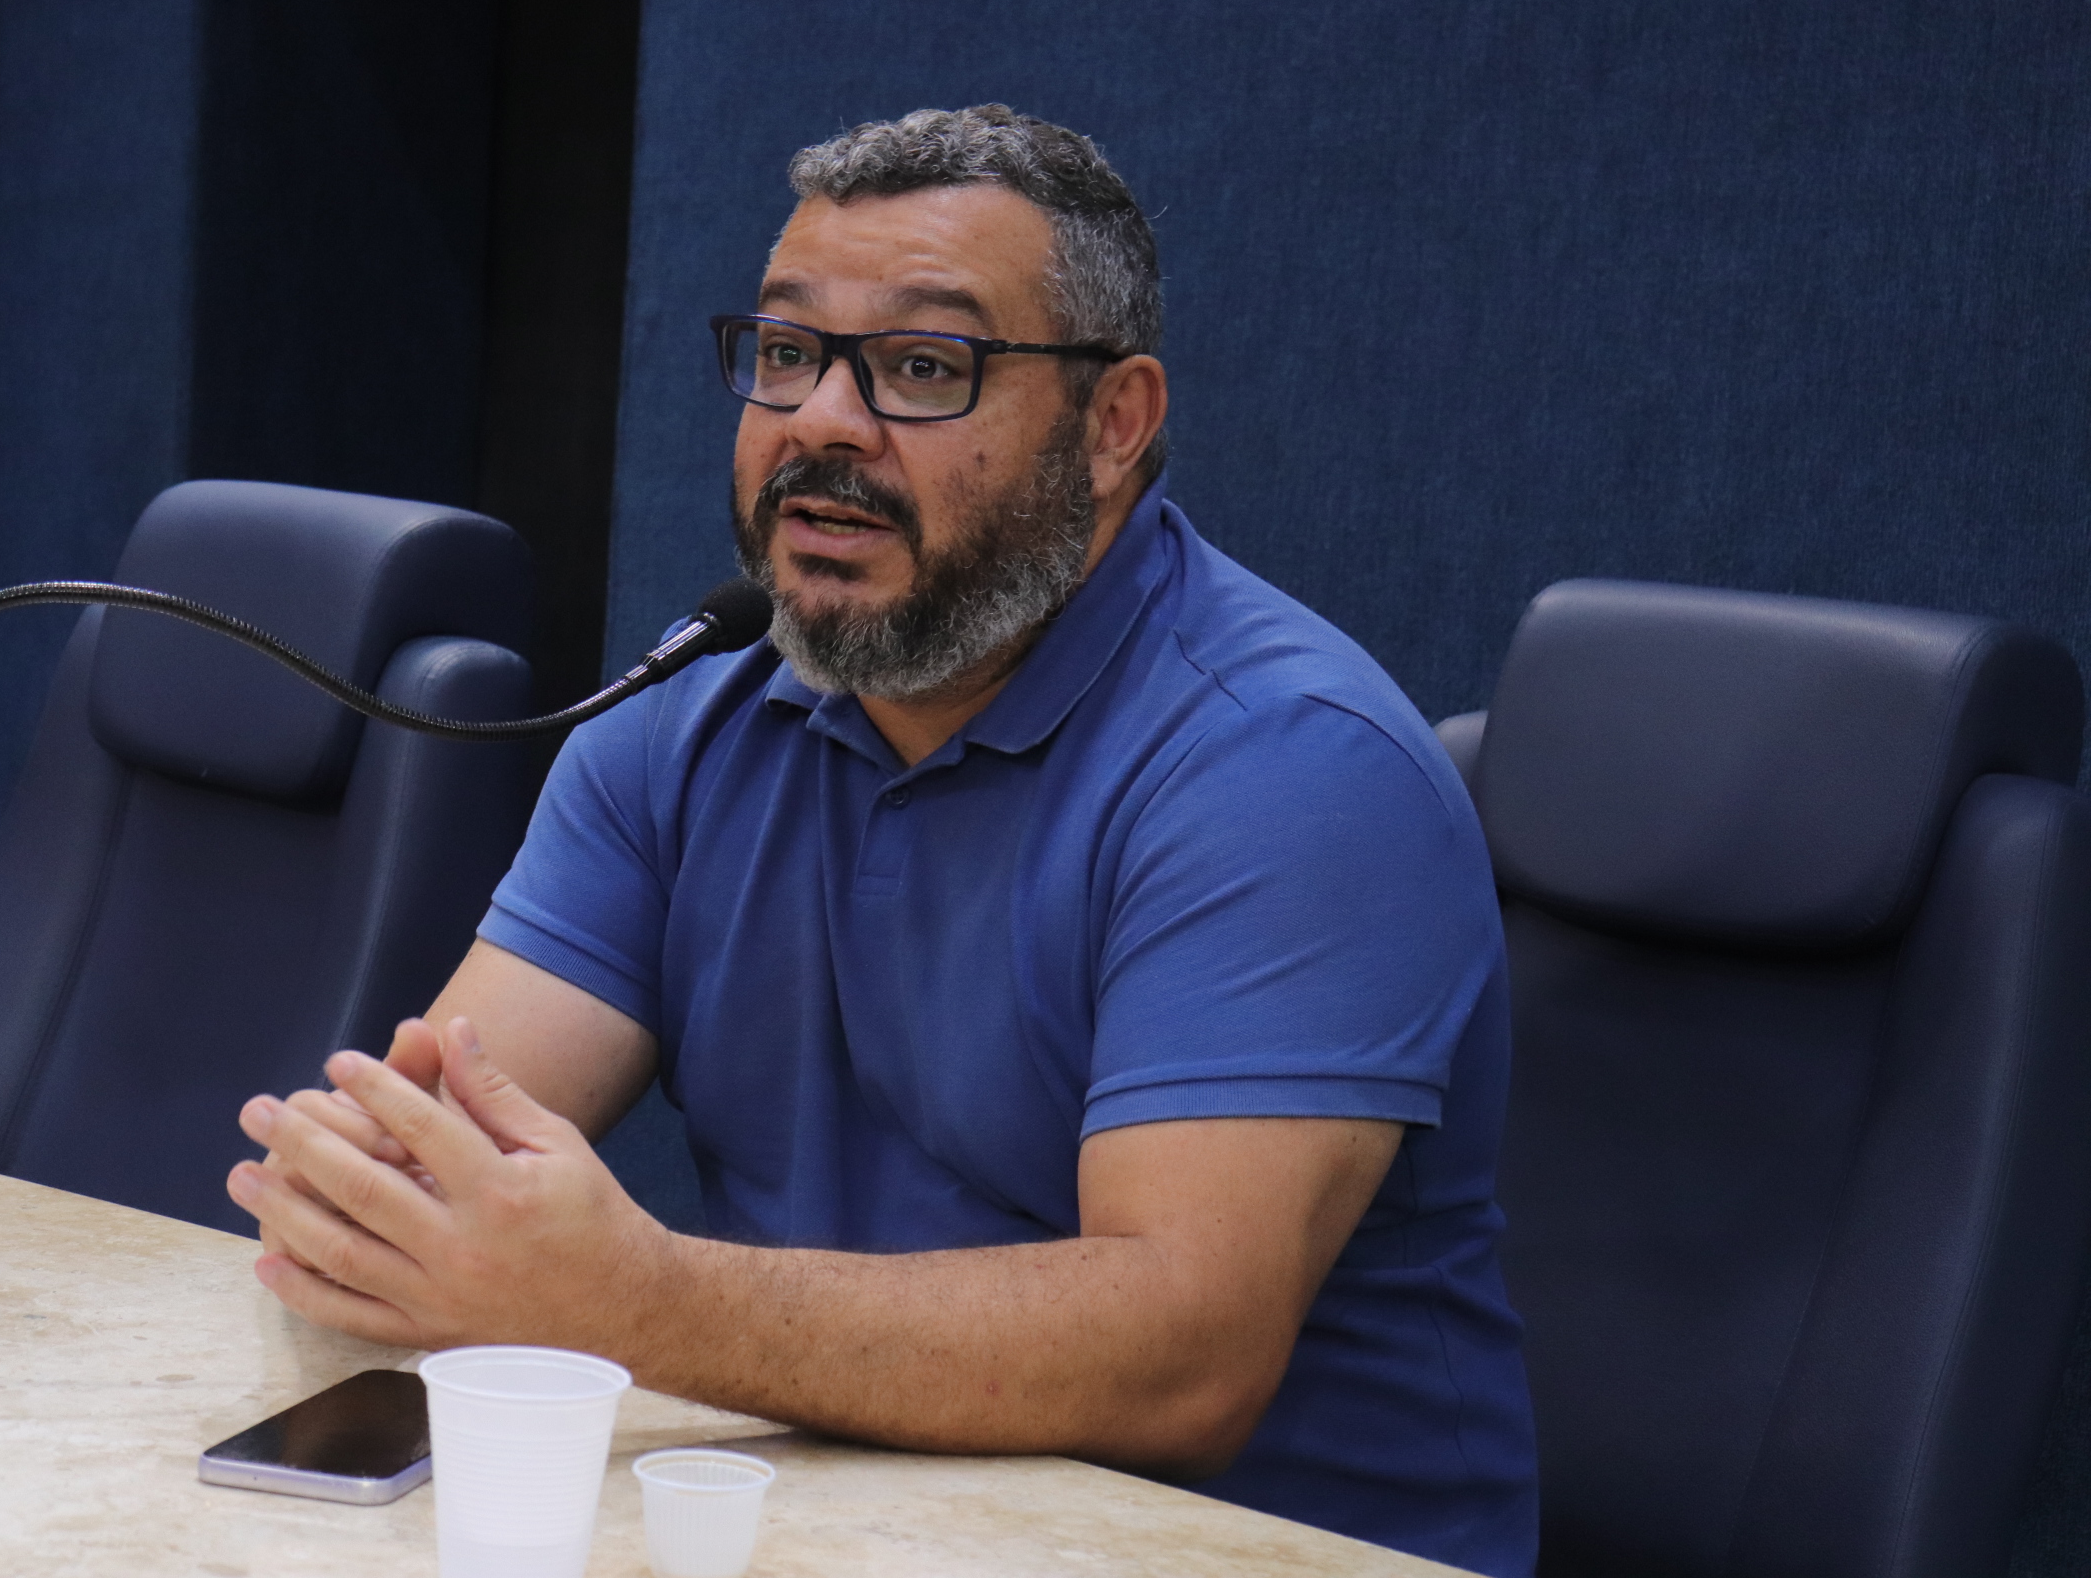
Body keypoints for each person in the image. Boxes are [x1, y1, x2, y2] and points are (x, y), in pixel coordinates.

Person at [226, 104, 1538, 1575]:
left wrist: (630, 1298)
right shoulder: (685, 725)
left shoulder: (1286, 767)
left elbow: (1185, 1360)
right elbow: (434, 1170)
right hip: (827, 1521)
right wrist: (372, 1198)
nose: (821, 424)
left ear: (1113, 425)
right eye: (788, 353)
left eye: (923, 367)